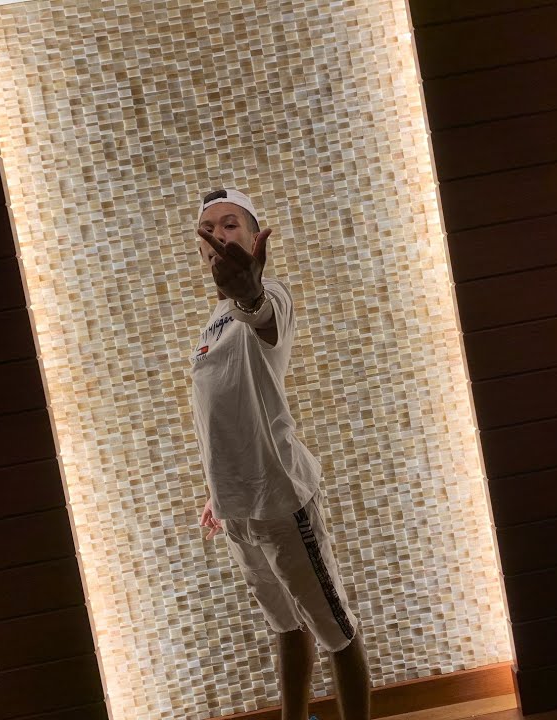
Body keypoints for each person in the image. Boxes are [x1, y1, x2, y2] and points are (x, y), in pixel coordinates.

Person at [190, 188, 371, 720]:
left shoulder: (270, 296)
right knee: (285, 628)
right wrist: (216, 492)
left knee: (336, 633)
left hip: (281, 503)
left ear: (253, 237)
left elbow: (262, 314)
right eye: (209, 230)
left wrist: (250, 295)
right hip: (238, 512)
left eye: (230, 224)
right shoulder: (209, 326)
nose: (219, 236)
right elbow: (222, 414)